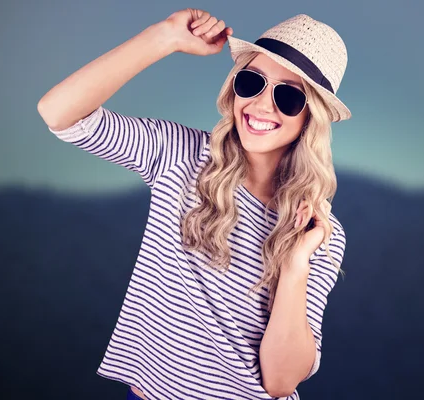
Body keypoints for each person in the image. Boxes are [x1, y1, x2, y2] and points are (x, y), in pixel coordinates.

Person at [38, 8, 349, 400]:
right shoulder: (179, 154)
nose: (262, 105)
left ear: (310, 119)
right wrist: (163, 38)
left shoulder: (317, 230)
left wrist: (294, 264)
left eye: (288, 96)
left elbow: (280, 382)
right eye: (252, 82)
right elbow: (60, 114)